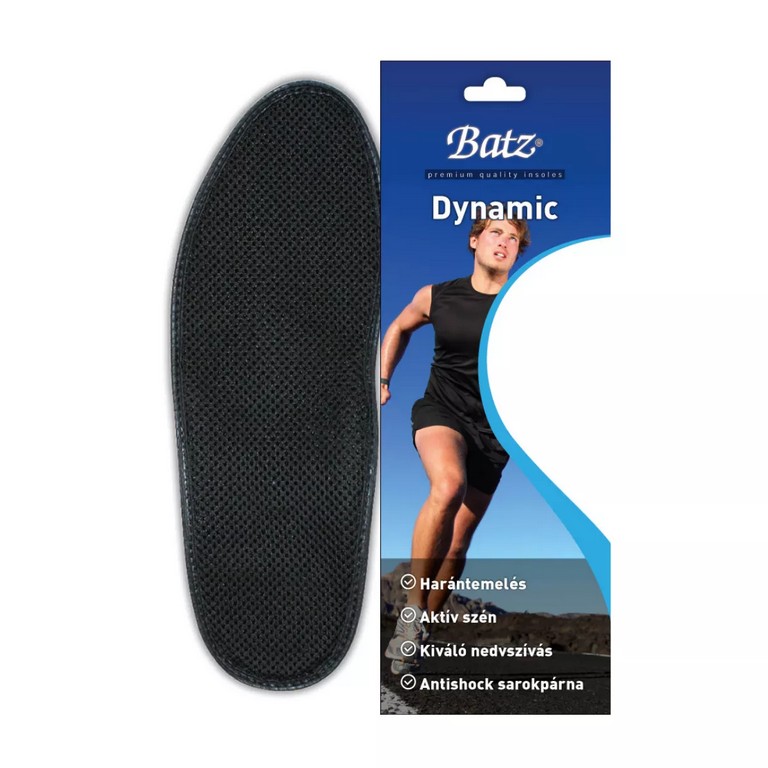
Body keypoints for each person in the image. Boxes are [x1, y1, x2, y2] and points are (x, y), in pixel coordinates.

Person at [382, 217, 530, 674]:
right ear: (474, 241)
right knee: (448, 486)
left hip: (495, 430)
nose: (504, 242)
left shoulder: (526, 302)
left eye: (513, 238)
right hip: (442, 411)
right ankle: (411, 614)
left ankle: (422, 627)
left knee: (458, 543)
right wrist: (382, 378)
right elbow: (399, 328)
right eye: (496, 233)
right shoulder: (437, 295)